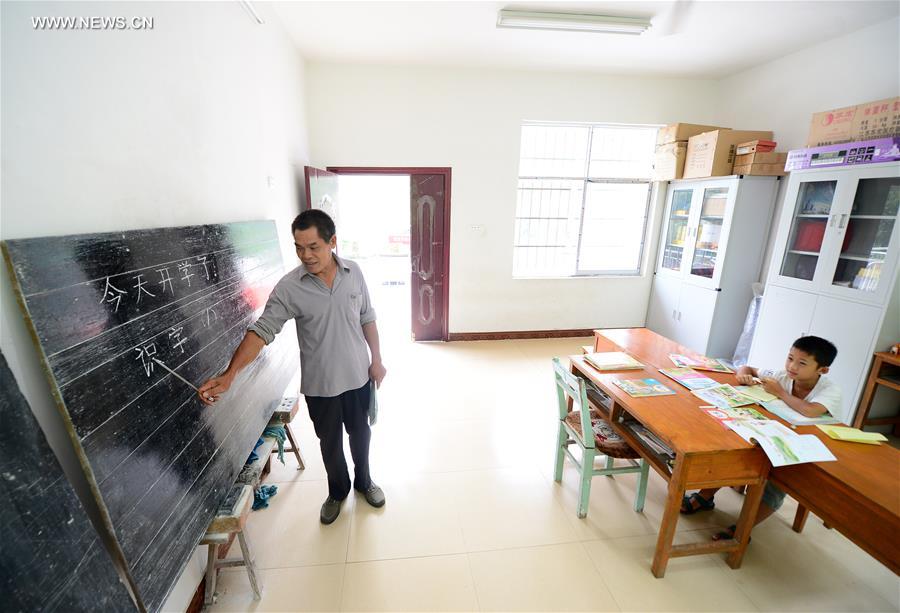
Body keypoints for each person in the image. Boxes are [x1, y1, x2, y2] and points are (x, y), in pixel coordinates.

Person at [198, 209, 387, 525]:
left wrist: (377, 359)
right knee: (329, 444)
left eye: (313, 246)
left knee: (360, 435)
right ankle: (337, 492)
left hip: (357, 377)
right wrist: (231, 374)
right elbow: (262, 331)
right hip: (320, 385)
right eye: (299, 247)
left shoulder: (354, 273)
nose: (306, 255)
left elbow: (367, 317)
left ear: (332, 242)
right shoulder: (290, 287)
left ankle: (365, 482)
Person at [680, 335, 841, 540]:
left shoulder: (830, 390)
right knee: (739, 452)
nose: (792, 366)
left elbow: (811, 411)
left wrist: (780, 392)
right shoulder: (784, 375)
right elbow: (748, 368)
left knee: (778, 477)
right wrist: (744, 375)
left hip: (809, 445)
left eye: (801, 363)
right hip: (777, 431)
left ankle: (744, 527)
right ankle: (705, 497)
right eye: (790, 358)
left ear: (822, 370)